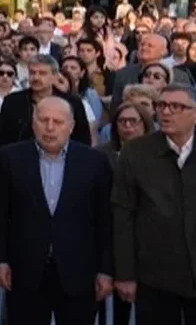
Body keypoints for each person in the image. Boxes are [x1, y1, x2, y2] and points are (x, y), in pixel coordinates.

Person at [0, 97, 113, 325]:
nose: (50, 127)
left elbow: (104, 221)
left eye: (57, 121)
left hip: (79, 273)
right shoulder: (10, 157)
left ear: (72, 126)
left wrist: (105, 270)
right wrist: (0, 260)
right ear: (33, 122)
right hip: (25, 271)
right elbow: (0, 213)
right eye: (43, 120)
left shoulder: (94, 162)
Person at [113, 84, 196, 322]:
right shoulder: (136, 152)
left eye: (176, 107)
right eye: (161, 106)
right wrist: (125, 274)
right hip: (155, 276)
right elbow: (123, 214)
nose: (166, 112)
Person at [94, 101, 152, 325]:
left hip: (147, 240)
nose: (127, 126)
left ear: (145, 124)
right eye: (122, 121)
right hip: (110, 234)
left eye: (133, 121)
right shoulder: (101, 154)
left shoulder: (157, 155)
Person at [0, 55, 92, 149]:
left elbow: (83, 140)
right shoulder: (12, 102)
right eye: (32, 73)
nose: (36, 78)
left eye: (42, 73)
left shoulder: (72, 103)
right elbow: (2, 140)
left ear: (55, 76)